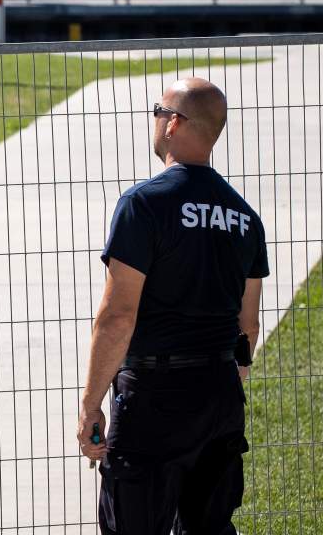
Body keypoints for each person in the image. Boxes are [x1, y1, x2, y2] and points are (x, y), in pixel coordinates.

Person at [76, 77, 267, 535]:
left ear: (173, 124)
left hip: (153, 400)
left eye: (156, 111)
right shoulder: (245, 218)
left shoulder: (143, 205)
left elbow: (118, 315)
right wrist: (222, 382)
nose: (155, 120)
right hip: (219, 394)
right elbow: (249, 325)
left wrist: (91, 404)